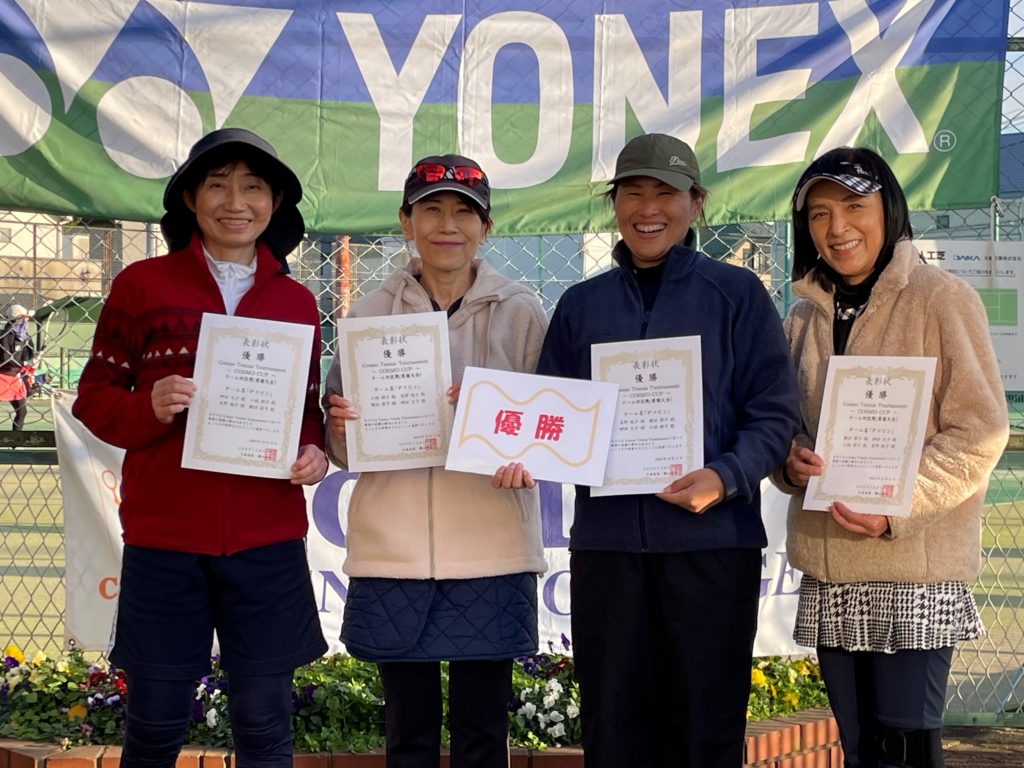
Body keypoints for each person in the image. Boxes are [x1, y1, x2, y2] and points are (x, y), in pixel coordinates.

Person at [536, 133, 801, 767]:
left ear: (696, 202)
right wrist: (505, 436)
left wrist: (725, 476)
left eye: (666, 193)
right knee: (613, 729)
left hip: (712, 547)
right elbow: (553, 417)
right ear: (614, 204)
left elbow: (774, 412)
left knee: (705, 729)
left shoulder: (736, 295)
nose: (648, 209)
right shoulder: (581, 305)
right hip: (608, 551)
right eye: (633, 192)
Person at [73, 128, 328, 767]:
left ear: (274, 202)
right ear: (190, 198)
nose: (235, 202)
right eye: (217, 185)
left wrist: (314, 453)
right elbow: (94, 399)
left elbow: (306, 412)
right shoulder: (141, 285)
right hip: (166, 539)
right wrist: (148, 407)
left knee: (264, 725)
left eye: (253, 187)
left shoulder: (297, 302)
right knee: (155, 723)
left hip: (268, 538)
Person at [776, 147, 1009, 768]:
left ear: (890, 210)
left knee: (905, 749)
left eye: (854, 206)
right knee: (858, 749)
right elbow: (787, 427)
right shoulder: (802, 315)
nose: (837, 227)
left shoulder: (942, 298)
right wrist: (791, 460)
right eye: (819, 214)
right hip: (831, 567)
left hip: (913, 568)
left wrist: (897, 508)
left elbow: (979, 431)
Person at [323, 154, 548, 768]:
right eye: (432, 210)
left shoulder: (522, 311)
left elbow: (548, 426)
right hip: (391, 550)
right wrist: (339, 428)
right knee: (408, 734)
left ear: (486, 227)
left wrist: (523, 454)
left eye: (465, 212)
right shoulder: (368, 314)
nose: (448, 225)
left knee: (482, 732)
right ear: (406, 222)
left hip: (492, 548)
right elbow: (342, 447)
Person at [0, 304, 34, 430]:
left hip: (14, 378)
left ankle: (15, 439)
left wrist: (29, 361)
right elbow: (6, 359)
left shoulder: (25, 337)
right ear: (18, 319)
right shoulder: (4, 336)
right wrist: (20, 363)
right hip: (2, 377)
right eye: (25, 317)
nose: (27, 320)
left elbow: (27, 356)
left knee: (22, 411)